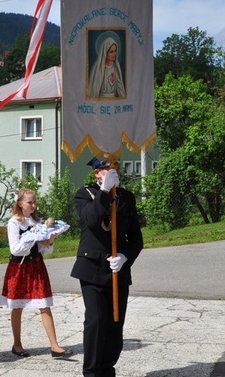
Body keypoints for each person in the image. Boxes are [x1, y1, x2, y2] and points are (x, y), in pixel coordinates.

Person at [71, 156, 143, 377]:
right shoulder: (86, 194)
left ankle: (107, 369)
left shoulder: (127, 198)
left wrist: (124, 256)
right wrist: (104, 191)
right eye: (108, 168)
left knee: (115, 323)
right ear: (97, 173)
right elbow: (92, 220)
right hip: (92, 268)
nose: (114, 172)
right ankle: (92, 372)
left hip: (117, 269)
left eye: (117, 168)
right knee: (96, 322)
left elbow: (136, 239)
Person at [1, 188, 72, 358]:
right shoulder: (14, 223)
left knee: (44, 305)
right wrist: (32, 237)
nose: (33, 205)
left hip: (36, 265)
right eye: (29, 202)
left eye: (34, 202)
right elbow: (15, 249)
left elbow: (44, 250)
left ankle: (55, 346)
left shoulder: (37, 221)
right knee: (17, 306)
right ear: (20, 203)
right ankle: (17, 344)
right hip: (19, 268)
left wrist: (49, 239)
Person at [88, 32, 126, 99]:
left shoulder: (116, 68)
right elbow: (95, 91)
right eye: (111, 52)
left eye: (115, 51)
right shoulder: (98, 68)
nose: (114, 54)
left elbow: (120, 89)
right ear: (105, 52)